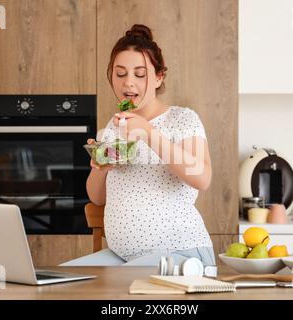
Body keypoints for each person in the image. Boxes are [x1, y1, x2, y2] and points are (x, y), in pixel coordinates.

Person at [60, 24, 215, 268]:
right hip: (121, 257)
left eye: (139, 74)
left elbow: (202, 178)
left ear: (159, 77)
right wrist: (101, 166)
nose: (128, 83)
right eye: (120, 74)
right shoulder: (114, 127)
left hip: (181, 253)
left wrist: (149, 133)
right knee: (62, 284)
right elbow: (97, 198)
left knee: (117, 291)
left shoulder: (182, 119)